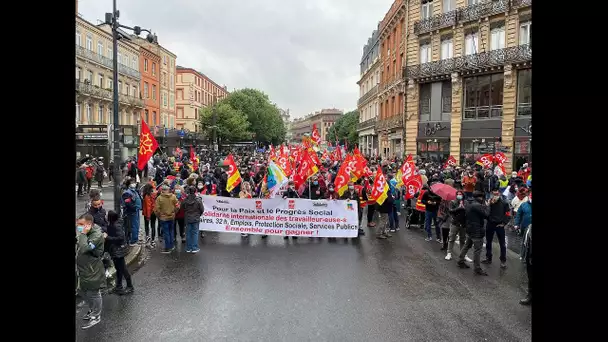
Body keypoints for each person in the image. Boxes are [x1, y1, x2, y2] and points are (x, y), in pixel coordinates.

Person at [75, 213, 105, 329]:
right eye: (78, 225)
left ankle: (96, 316)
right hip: (83, 268)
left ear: (89, 225)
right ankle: (92, 310)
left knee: (94, 292)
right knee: (83, 291)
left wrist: (82, 234)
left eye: (81, 225)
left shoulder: (96, 236)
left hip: (92, 269)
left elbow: (84, 248)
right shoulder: (87, 232)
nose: (79, 227)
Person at [458, 191, 489, 276]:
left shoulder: (469, 203)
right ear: (480, 197)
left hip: (470, 229)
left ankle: (460, 260)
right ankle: (477, 268)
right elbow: (486, 214)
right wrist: (487, 205)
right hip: (477, 231)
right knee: (477, 250)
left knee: (467, 245)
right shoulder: (477, 205)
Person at [104, 210, 134, 295]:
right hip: (115, 251)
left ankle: (130, 286)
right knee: (118, 269)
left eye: (107, 215)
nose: (106, 217)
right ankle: (118, 286)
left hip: (118, 251)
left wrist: (108, 237)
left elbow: (120, 238)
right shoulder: (113, 224)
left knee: (123, 269)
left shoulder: (116, 226)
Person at [482, 188, 511, 268]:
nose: (495, 196)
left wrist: (504, 223)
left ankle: (503, 261)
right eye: (493, 194)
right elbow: (485, 215)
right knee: (488, 242)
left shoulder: (504, 203)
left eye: (496, 194)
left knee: (502, 244)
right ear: (491, 194)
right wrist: (487, 206)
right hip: (490, 224)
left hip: (499, 225)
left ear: (499, 194)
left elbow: (508, 214)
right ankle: (488, 258)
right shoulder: (489, 202)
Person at [445, 190, 473, 263]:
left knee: (463, 240)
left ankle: (464, 255)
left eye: (460, 194)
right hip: (455, 223)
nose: (459, 195)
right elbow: (450, 211)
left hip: (463, 224)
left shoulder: (466, 202)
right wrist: (459, 208)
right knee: (451, 239)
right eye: (458, 194)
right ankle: (449, 253)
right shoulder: (453, 202)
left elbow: (469, 211)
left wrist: (464, 208)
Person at [155, 184, 179, 254]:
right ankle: (171, 246)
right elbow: (177, 206)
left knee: (166, 233)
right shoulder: (173, 196)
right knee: (171, 231)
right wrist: (174, 213)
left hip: (163, 218)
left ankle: (167, 248)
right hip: (172, 217)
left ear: (162, 190)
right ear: (168, 190)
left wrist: (159, 216)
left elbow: (156, 209)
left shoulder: (159, 198)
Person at [121, 179, 142, 246]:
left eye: (134, 182)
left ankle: (134, 239)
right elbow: (128, 203)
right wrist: (134, 208)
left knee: (135, 225)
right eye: (132, 182)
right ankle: (133, 240)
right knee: (133, 226)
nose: (134, 183)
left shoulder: (134, 191)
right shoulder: (127, 193)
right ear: (129, 184)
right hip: (131, 212)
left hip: (135, 211)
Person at [182, 186, 204, 253]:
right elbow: (202, 209)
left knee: (188, 233)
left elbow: (182, 207)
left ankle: (188, 248)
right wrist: (198, 214)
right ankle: (194, 248)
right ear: (195, 191)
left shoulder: (185, 200)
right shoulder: (198, 200)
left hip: (188, 218)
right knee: (195, 233)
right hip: (196, 218)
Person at [514, 191, 532, 261]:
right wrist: (516, 224)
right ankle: (523, 255)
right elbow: (518, 215)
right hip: (525, 228)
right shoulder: (524, 205)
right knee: (525, 242)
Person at [520, 224, 532, 306]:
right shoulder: (529, 227)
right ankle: (530, 296)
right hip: (529, 256)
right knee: (530, 277)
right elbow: (525, 243)